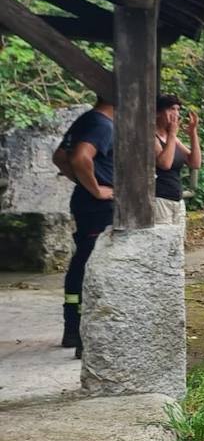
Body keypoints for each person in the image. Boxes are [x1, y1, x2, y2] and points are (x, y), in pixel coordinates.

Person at [51, 97, 116, 357]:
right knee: (92, 265)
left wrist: (82, 183)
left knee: (82, 262)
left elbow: (60, 157)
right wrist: (96, 189)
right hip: (98, 205)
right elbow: (79, 158)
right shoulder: (102, 124)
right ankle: (82, 336)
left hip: (86, 203)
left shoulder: (88, 120)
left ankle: (72, 330)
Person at [153, 94, 202, 224]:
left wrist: (193, 134)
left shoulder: (173, 138)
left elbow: (195, 163)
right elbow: (165, 164)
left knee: (178, 243)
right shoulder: (152, 137)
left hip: (177, 200)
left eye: (178, 110)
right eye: (171, 109)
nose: (176, 114)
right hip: (160, 200)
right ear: (158, 113)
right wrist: (173, 134)